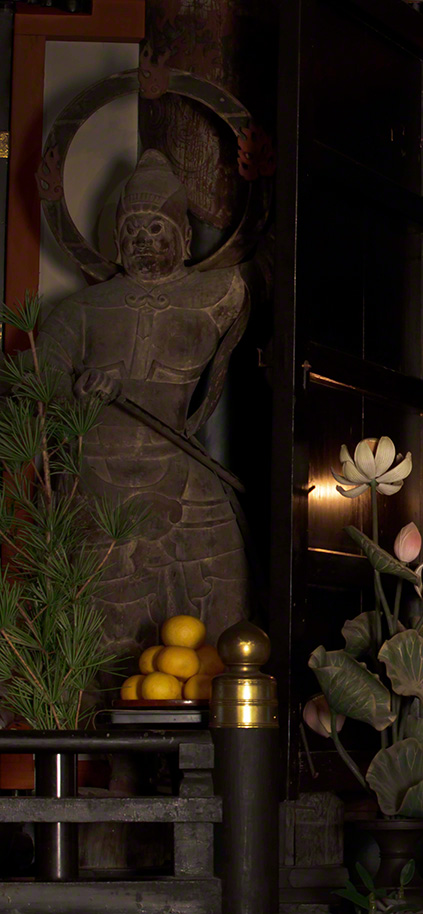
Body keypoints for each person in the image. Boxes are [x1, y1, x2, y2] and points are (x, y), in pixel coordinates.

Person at [33, 148, 249, 657]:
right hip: (97, 476)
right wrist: (78, 390)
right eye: (131, 230)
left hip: (180, 465)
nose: (143, 239)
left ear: (184, 236)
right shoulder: (82, 309)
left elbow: (270, 267)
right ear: (116, 238)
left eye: (157, 228)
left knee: (222, 596)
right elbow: (36, 376)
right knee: (101, 623)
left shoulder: (216, 295)